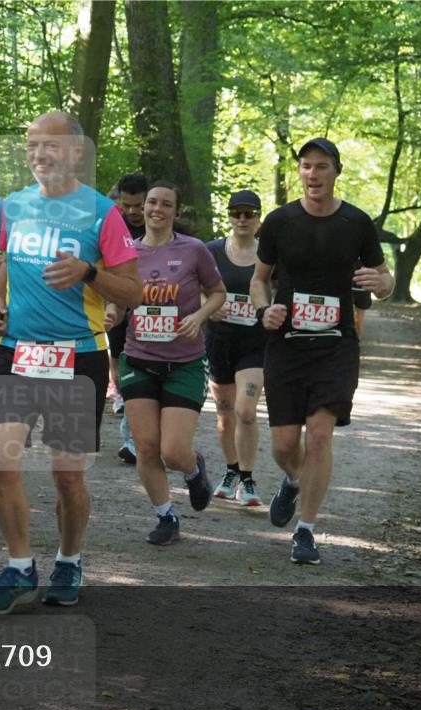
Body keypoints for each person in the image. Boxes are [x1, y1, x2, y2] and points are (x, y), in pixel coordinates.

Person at [0, 111, 141, 613]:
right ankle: (19, 565)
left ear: (74, 152)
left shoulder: (100, 213)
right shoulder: (16, 205)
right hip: (17, 352)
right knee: (2, 463)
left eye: (50, 146)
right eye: (31, 146)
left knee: (67, 475)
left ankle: (69, 560)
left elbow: (132, 291)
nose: (38, 155)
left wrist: (90, 271)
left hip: (77, 357)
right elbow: (8, 261)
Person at [251, 137, 393, 565]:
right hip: (288, 345)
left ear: (337, 171)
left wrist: (380, 285)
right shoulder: (279, 221)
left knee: (319, 436)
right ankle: (294, 480)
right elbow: (259, 280)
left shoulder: (357, 223)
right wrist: (264, 311)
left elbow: (385, 281)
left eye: (321, 167)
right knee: (281, 445)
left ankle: (306, 532)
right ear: (300, 172)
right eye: (306, 167)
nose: (313, 174)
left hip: (336, 346)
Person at [117, 182, 226, 545]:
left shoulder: (193, 250)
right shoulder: (126, 252)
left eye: (166, 204)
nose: (156, 209)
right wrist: (113, 311)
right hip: (139, 359)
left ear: (176, 212)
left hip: (184, 362)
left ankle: (194, 470)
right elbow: (117, 298)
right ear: (141, 208)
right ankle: (166, 516)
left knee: (173, 451)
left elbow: (219, 292)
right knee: (145, 447)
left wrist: (199, 316)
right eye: (151, 203)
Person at [205, 190, 269, 506]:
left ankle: (248, 479)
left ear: (259, 217)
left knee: (245, 410)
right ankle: (231, 472)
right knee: (225, 414)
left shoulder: (270, 254)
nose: (242, 219)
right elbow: (192, 289)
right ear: (229, 216)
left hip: (255, 345)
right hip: (219, 341)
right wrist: (207, 306)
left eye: (249, 213)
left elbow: (283, 290)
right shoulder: (212, 251)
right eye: (236, 213)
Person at [106, 173, 148, 464]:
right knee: (121, 361)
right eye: (127, 205)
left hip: (153, 307)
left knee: (143, 366)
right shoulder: (110, 224)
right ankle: (132, 433)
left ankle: (135, 438)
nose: (133, 212)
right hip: (118, 302)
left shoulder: (158, 223)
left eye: (139, 205)